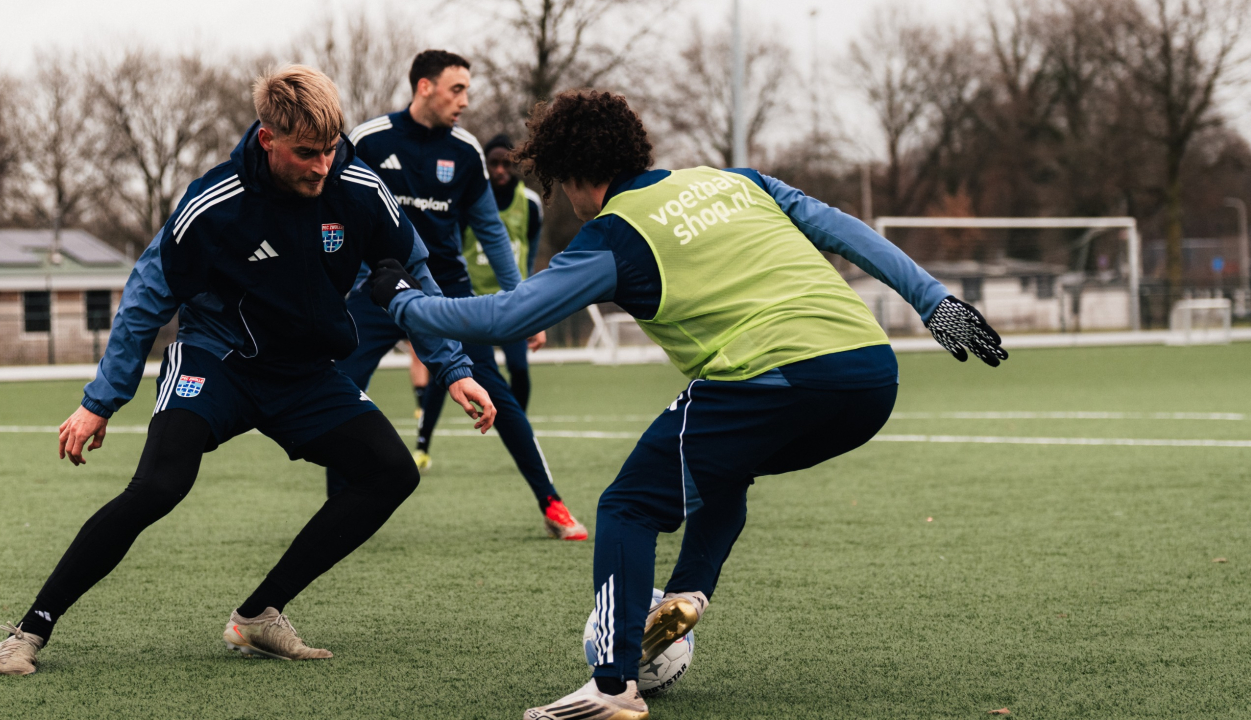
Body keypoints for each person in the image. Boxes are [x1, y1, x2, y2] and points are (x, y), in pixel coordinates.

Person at [367, 89, 1007, 719]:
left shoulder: (615, 236)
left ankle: (613, 686)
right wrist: (933, 302)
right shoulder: (737, 181)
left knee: (628, 503)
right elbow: (841, 228)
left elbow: (502, 316)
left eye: (561, 184)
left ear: (578, 176)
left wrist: (400, 299)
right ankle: (689, 591)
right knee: (723, 461)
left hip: (771, 375)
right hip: (869, 375)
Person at [0, 65, 497, 676]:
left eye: (330, 151)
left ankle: (259, 615)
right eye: (306, 153)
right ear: (268, 139)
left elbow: (413, 270)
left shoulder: (358, 187)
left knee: (390, 472)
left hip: (304, 372)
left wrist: (453, 368)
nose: (321, 167)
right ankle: (30, 629)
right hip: (218, 360)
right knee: (159, 487)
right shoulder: (216, 201)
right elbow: (150, 292)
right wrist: (102, 399)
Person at [339, 49, 587, 541]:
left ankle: (551, 502)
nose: (466, 101)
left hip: (446, 293)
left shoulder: (466, 151)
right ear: (425, 87)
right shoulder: (369, 141)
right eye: (457, 89)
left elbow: (492, 234)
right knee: (339, 391)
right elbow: (335, 213)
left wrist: (525, 304)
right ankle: (339, 510)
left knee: (497, 394)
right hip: (374, 289)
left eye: (468, 90)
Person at [412, 133, 547, 464]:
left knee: (518, 367)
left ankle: (518, 432)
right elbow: (451, 246)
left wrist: (528, 300)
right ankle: (423, 445)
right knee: (449, 370)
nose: (500, 169)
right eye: (494, 163)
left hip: (509, 303)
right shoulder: (467, 199)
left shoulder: (530, 204)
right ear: (485, 166)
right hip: (470, 304)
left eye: (507, 163)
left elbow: (527, 254)